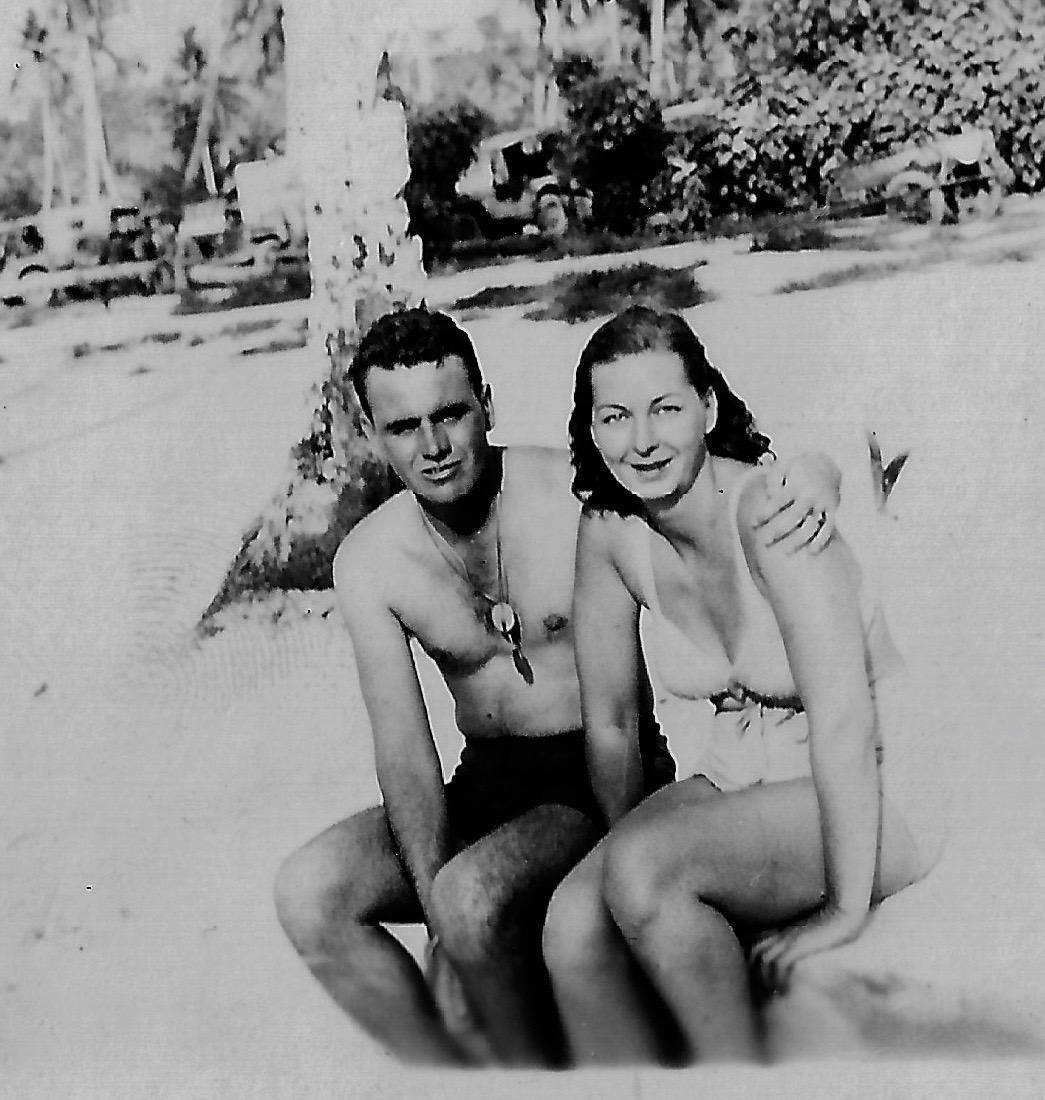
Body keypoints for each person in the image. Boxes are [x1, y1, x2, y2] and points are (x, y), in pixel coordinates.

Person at [273, 306, 841, 1066]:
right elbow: (405, 755)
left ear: (487, 405)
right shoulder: (370, 560)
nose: (434, 447)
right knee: (310, 891)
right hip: (486, 783)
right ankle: (454, 1077)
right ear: (372, 437)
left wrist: (814, 473)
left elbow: (693, 471)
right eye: (405, 427)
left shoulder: (569, 492)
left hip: (591, 775)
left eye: (451, 414)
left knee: (471, 900)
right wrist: (439, 914)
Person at [542, 305, 945, 1065]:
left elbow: (843, 723)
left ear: (709, 408)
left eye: (665, 409)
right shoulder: (609, 534)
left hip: (878, 784)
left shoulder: (769, 511)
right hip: (740, 776)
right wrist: (633, 851)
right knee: (571, 920)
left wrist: (845, 908)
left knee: (643, 871)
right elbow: (611, 726)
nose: (642, 441)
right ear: (590, 430)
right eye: (615, 416)